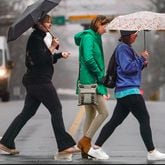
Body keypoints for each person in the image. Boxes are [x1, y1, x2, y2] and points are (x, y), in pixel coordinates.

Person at [0, 14, 79, 157]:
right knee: (56, 109)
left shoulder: (39, 39)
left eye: (50, 22)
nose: (50, 25)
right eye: (48, 22)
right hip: (40, 81)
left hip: (35, 81)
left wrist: (60, 54)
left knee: (27, 113)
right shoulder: (35, 39)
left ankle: (6, 142)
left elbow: (45, 59)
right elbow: (40, 60)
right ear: (39, 24)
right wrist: (53, 47)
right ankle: (64, 145)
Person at [84, 30, 165, 161]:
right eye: (135, 34)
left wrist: (141, 64)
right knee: (144, 119)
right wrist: (141, 58)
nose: (136, 36)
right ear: (128, 35)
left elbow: (127, 69)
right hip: (129, 91)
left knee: (115, 121)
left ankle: (95, 149)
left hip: (124, 92)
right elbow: (127, 68)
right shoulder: (123, 49)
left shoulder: (126, 48)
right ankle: (152, 151)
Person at [74, 15, 111, 159]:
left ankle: (85, 150)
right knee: (104, 113)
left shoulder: (94, 37)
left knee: (90, 114)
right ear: (97, 24)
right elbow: (88, 58)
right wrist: (98, 74)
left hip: (89, 80)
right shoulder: (89, 37)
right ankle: (85, 141)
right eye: (104, 26)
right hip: (90, 81)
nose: (106, 29)